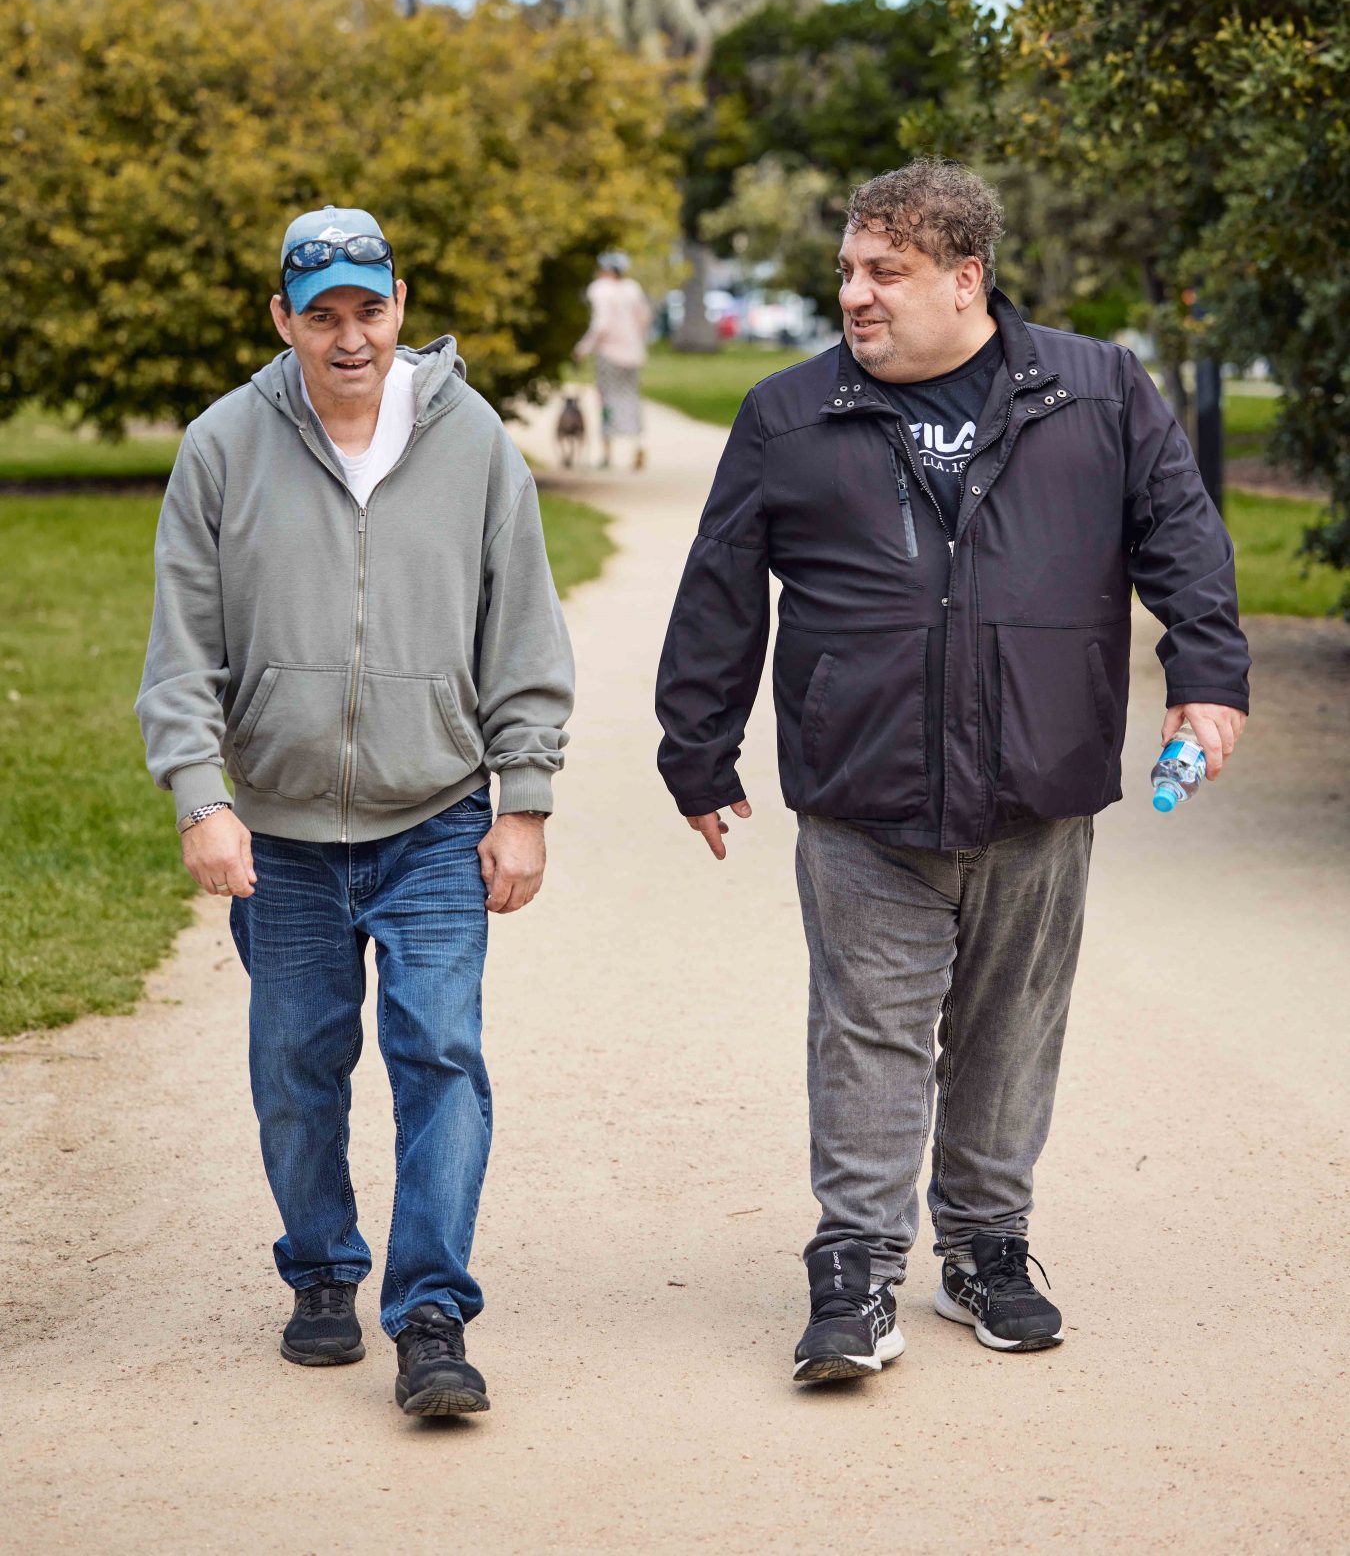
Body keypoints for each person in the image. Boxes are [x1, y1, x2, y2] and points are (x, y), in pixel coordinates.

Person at [654, 160, 1249, 1384]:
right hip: (863, 787)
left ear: (965, 277)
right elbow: (720, 586)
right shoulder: (788, 412)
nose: (854, 296)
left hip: (1040, 779)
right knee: (868, 1029)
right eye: (847, 271)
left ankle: (986, 1246)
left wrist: (1209, 676)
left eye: (885, 272)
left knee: (1010, 1027)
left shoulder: (1096, 390)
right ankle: (857, 1265)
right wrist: (696, 745)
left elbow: (1181, 538)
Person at [136, 205, 574, 1420]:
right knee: (296, 1064)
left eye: (368, 310)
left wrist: (523, 797)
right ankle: (323, 1270)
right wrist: (203, 797)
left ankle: (432, 1312)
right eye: (319, 314)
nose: (348, 337)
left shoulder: (473, 439)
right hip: (276, 831)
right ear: (282, 317)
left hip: (435, 815)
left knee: (441, 1054)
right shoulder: (223, 446)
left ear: (398, 307)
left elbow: (523, 630)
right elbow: (182, 653)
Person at [576, 250, 651, 470]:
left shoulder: (599, 289)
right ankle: (639, 445)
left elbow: (601, 324)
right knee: (631, 399)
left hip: (609, 354)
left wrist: (583, 347)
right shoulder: (632, 288)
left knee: (607, 401)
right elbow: (644, 318)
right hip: (633, 353)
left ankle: (607, 453)